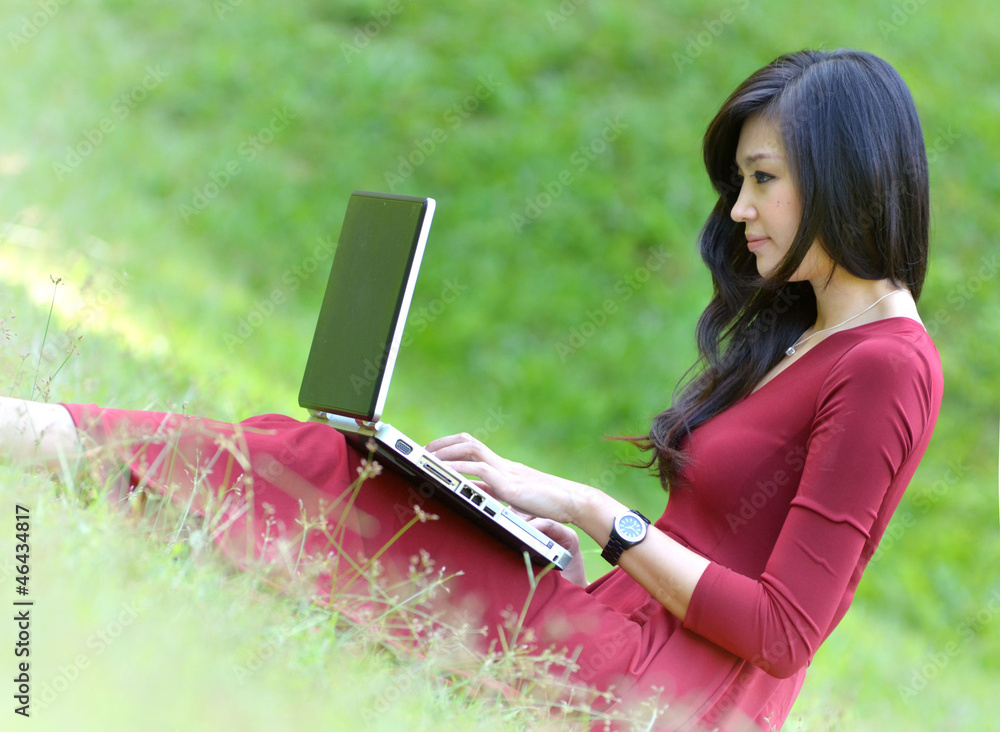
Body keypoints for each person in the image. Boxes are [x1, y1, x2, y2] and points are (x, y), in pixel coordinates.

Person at [2, 48, 942, 730]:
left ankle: (40, 437)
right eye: (739, 181)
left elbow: (782, 631)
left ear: (843, 177)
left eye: (762, 180)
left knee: (344, 478)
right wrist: (537, 516)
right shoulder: (808, 328)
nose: (737, 211)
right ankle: (66, 450)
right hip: (617, 633)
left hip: (652, 696)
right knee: (364, 467)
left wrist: (588, 509)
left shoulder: (889, 368)